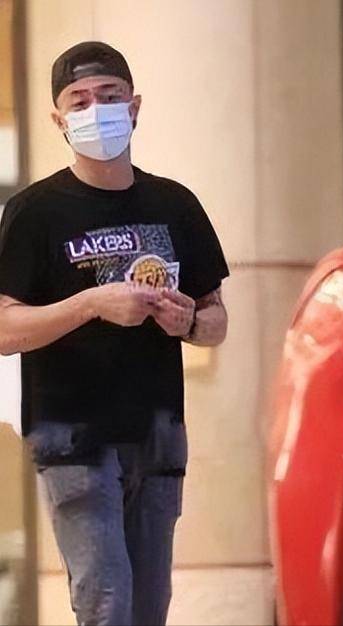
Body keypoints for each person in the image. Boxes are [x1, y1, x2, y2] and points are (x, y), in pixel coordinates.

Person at [0, 41, 229, 626]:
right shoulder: (34, 213)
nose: (96, 110)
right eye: (79, 101)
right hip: (73, 436)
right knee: (107, 600)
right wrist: (90, 304)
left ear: (134, 106)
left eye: (109, 96)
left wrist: (188, 322)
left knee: (150, 605)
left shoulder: (175, 204)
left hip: (157, 431)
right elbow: (4, 328)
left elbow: (215, 320)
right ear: (59, 120)